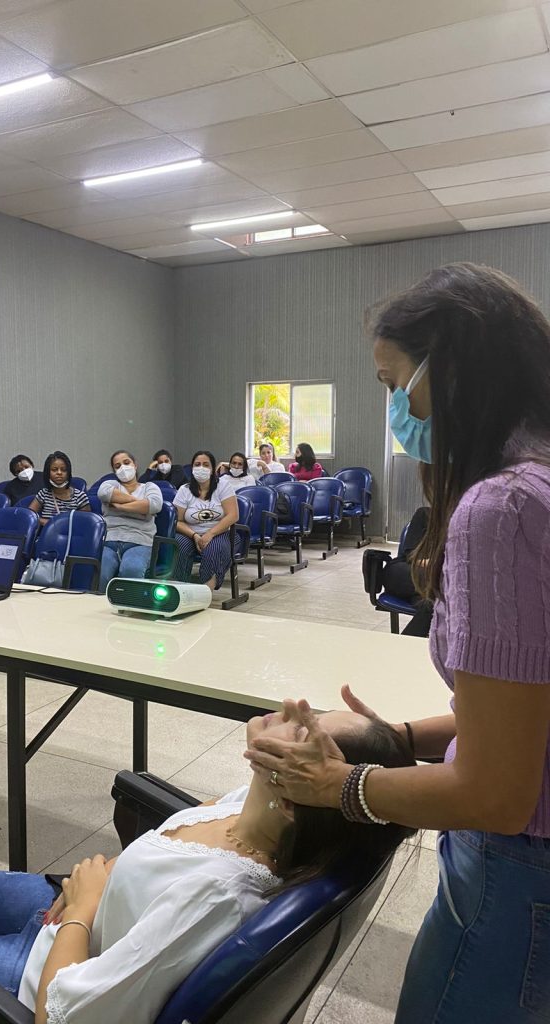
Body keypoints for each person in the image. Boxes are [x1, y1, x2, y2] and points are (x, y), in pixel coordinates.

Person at [245, 263, 550, 1024]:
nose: (396, 409)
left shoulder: (504, 509)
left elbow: (497, 795)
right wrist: (398, 738)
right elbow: (527, 716)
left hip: (521, 878)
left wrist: (339, 786)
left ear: (449, 369)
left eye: (393, 383)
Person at [0, 705, 415, 1024]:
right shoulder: (256, 805)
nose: (290, 707)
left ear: (296, 797)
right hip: (92, 915)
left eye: (305, 729)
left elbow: (62, 1016)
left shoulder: (215, 897)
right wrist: (108, 883)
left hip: (56, 973)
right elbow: (178, 844)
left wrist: (82, 910)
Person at [97, 450, 163, 591]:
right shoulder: (111, 484)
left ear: (135, 465)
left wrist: (120, 506)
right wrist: (140, 504)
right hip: (109, 541)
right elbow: (103, 493)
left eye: (126, 463)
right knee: (101, 573)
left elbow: (154, 505)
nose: (123, 467)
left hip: (140, 541)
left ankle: (128, 603)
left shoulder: (149, 487)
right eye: (117, 466)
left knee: (131, 570)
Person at [173, 451, 238, 591]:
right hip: (190, 534)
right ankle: (180, 590)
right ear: (192, 468)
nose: (201, 468)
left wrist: (210, 534)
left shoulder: (223, 486)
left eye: (206, 465)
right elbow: (177, 520)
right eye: (197, 464)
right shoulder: (184, 490)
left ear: (213, 469)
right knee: (179, 547)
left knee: (214, 550)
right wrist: (194, 535)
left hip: (219, 533)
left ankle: (206, 591)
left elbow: (233, 515)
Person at [378, 506, 432, 638]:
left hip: (433, 584)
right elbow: (412, 556)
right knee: (442, 585)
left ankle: (400, 647)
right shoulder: (425, 514)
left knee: (430, 604)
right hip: (407, 570)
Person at [29, 452, 91, 526]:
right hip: (48, 532)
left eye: (63, 470)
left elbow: (86, 523)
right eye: (54, 470)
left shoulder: (80, 496)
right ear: (48, 473)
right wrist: (46, 522)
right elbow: (29, 516)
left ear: (68, 473)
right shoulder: (43, 494)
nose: (59, 473)